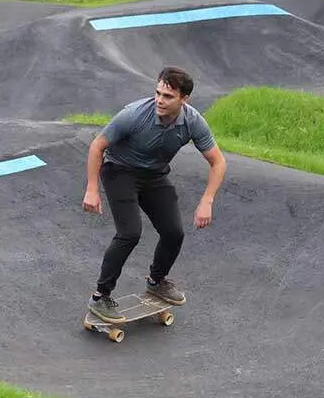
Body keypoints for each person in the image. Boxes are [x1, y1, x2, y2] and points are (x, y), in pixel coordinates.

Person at [83, 66, 226, 324]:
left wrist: (207, 201)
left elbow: (218, 162)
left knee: (174, 233)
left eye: (168, 96)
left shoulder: (193, 121)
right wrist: (92, 189)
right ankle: (100, 296)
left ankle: (156, 281)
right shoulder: (134, 115)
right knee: (130, 234)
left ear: (184, 100)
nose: (160, 100)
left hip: (155, 176)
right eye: (158, 93)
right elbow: (97, 146)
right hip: (120, 171)